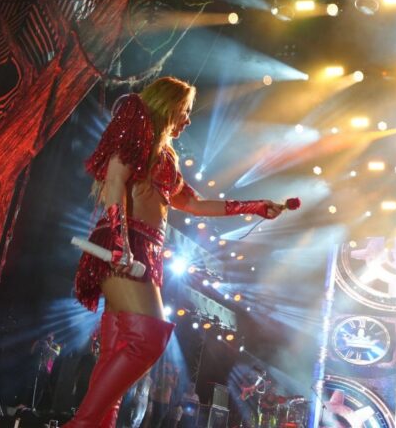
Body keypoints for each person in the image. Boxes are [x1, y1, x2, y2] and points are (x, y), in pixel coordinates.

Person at [70, 77, 288, 428]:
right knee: (147, 339)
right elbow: (114, 181)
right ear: (167, 105)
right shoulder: (138, 132)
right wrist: (121, 242)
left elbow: (195, 203)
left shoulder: (167, 155)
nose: (187, 119)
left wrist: (255, 206)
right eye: (185, 111)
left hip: (146, 250)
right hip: (126, 242)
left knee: (116, 349)